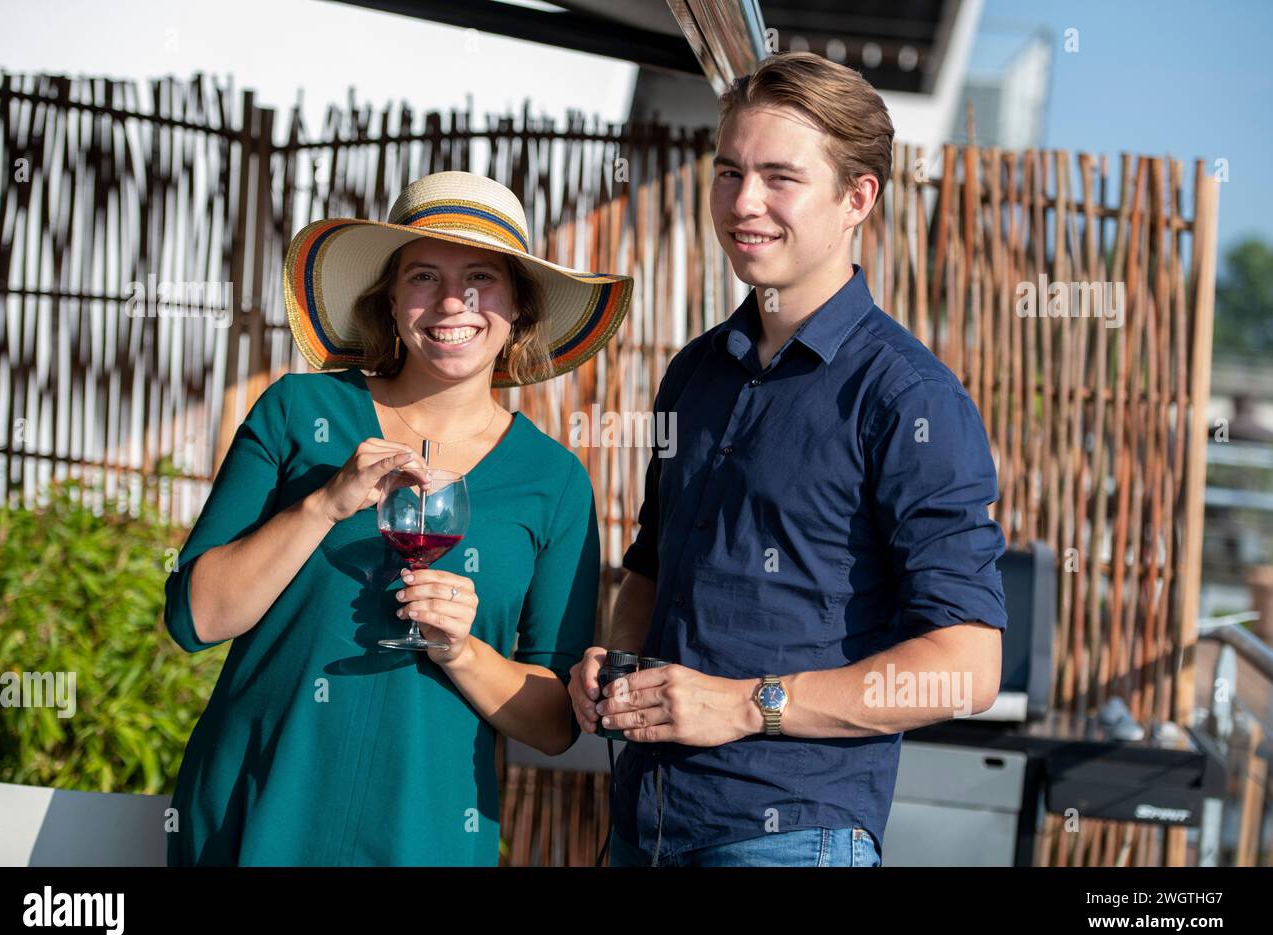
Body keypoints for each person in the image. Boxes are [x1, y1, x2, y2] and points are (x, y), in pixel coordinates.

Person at [569, 51, 1008, 867]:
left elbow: (965, 671)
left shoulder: (910, 399)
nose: (744, 203)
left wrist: (746, 706)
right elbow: (652, 572)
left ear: (857, 198)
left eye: (780, 177)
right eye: (728, 172)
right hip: (644, 821)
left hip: (791, 837)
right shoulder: (693, 373)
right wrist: (617, 662)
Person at [164, 170, 631, 865]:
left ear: (518, 309)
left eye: (480, 277)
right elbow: (196, 618)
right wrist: (323, 504)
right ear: (388, 299)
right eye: (422, 276)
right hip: (253, 814)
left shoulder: (555, 482)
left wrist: (461, 651)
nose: (452, 301)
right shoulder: (297, 415)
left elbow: (555, 721)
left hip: (430, 835)